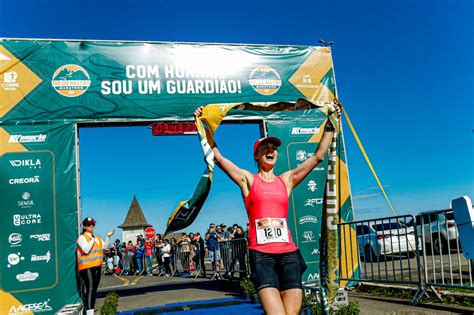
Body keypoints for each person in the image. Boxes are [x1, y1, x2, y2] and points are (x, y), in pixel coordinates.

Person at [194, 102, 341, 315]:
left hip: (289, 254)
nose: (270, 150)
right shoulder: (248, 180)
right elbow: (218, 156)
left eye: (273, 148)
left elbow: (318, 156)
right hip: (262, 256)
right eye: (265, 148)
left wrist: (331, 121)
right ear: (257, 155)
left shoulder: (287, 180)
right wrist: (203, 124)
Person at [76, 217, 114, 315]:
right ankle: (89, 313)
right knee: (90, 288)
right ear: (85, 227)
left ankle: (90, 311)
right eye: (89, 224)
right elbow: (86, 249)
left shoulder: (97, 238)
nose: (92, 226)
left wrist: (107, 237)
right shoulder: (82, 237)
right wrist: (92, 239)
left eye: (93, 224)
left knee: (93, 290)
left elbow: (105, 247)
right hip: (86, 266)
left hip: (97, 266)